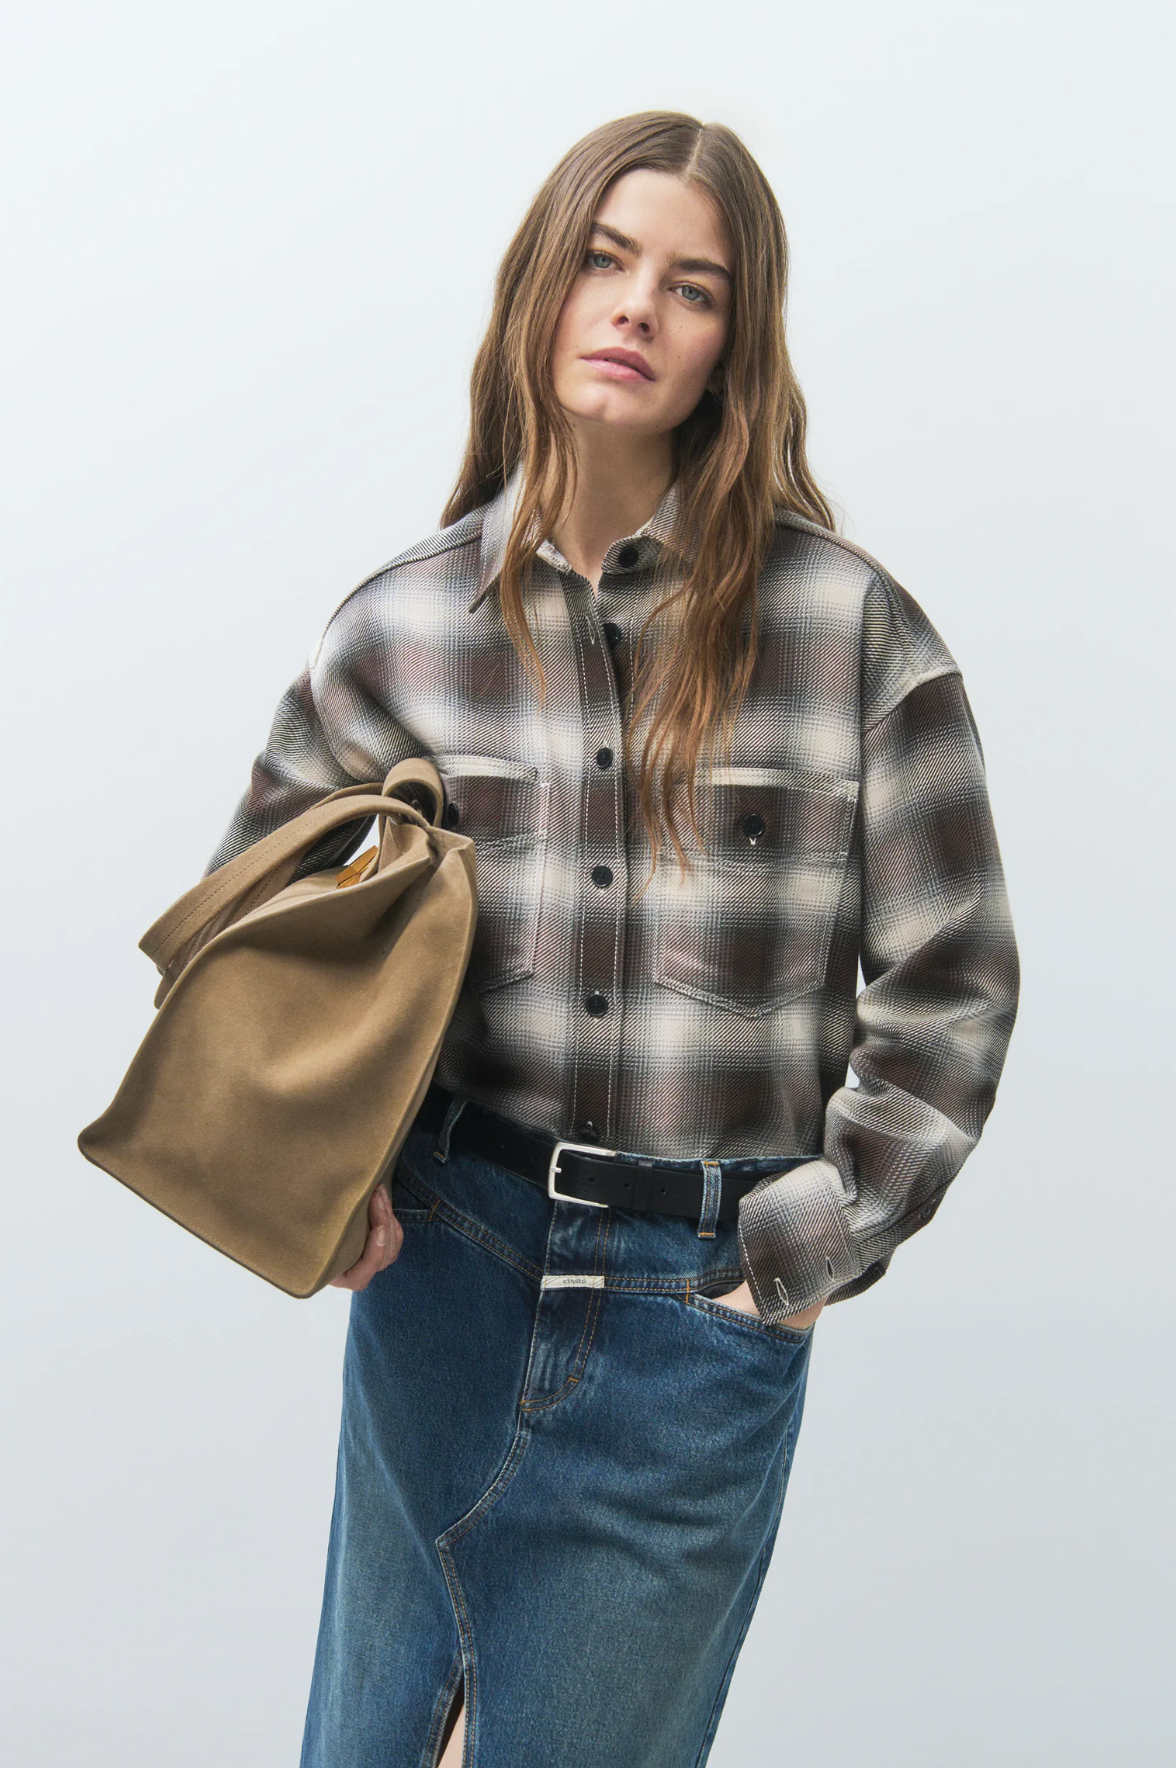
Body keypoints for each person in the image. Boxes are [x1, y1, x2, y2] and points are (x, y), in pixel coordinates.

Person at [205, 111, 1019, 1768]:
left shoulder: (854, 636)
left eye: (693, 286)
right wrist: (321, 1173)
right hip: (445, 1278)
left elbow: (953, 986)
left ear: (738, 343)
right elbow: (247, 944)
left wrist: (798, 1255)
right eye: (605, 257)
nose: (638, 305)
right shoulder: (400, 628)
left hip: (689, 1322)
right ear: (540, 285)